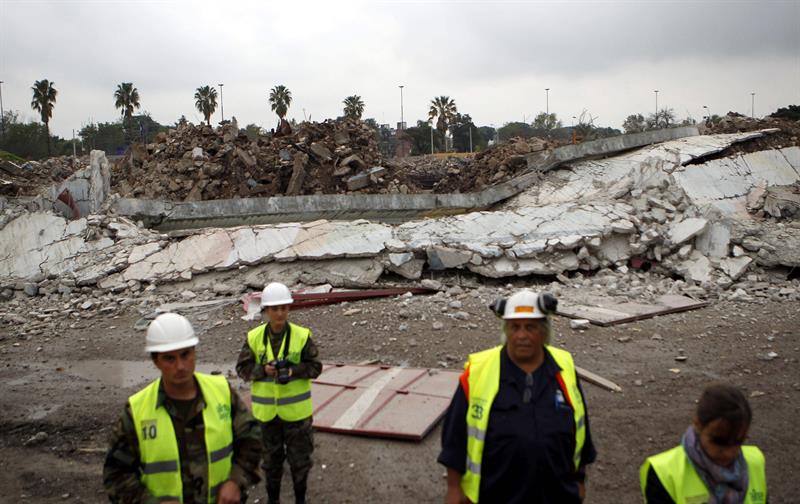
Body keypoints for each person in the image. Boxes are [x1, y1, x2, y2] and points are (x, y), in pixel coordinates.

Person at [438, 289, 597, 504]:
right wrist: (454, 488)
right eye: (515, 327)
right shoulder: (478, 371)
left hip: (557, 494)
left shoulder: (563, 368)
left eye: (530, 327)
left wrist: (579, 480)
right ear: (506, 331)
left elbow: (580, 429)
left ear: (544, 332)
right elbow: (455, 436)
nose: (522, 335)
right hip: (495, 494)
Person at [103, 313, 262, 503]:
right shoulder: (137, 410)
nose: (180, 366)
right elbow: (116, 474)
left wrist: (235, 481)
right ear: (156, 361)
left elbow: (252, 439)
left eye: (185, 355)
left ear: (195, 352)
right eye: (169, 359)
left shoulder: (221, 393)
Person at [236, 282, 322, 504]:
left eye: (283, 308)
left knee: (300, 463)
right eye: (275, 309)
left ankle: (300, 499)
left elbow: (315, 367)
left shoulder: (302, 336)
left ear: (289, 309)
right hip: (267, 417)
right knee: (271, 464)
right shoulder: (254, 338)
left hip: (297, 416)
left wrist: (292, 370)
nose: (280, 313)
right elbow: (242, 369)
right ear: (266, 310)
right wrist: (263, 370)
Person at [640, 383, 768, 504]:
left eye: (738, 442)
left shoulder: (755, 463)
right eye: (718, 441)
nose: (729, 452)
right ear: (698, 424)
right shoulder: (664, 473)